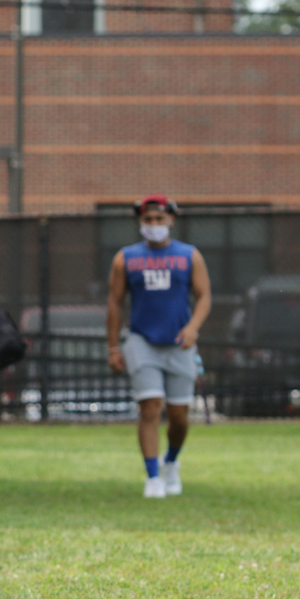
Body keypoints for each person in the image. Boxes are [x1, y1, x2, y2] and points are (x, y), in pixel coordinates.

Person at [106, 195, 211, 498]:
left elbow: (204, 296)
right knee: (150, 407)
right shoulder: (125, 258)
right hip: (141, 340)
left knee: (179, 416)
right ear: (140, 222)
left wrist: (192, 329)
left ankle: (171, 461)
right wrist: (114, 348)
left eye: (159, 219)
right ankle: (152, 476)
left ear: (171, 220)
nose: (154, 225)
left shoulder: (190, 255)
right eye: (148, 220)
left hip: (180, 344)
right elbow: (114, 303)